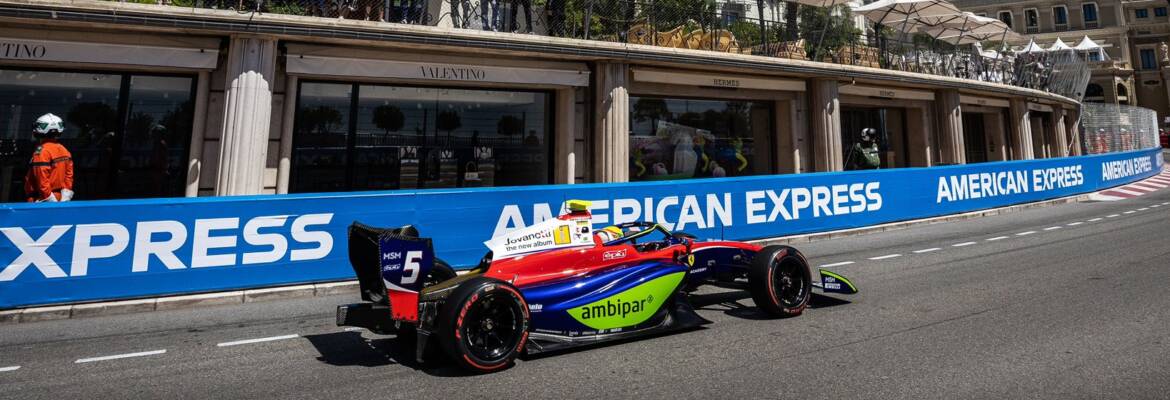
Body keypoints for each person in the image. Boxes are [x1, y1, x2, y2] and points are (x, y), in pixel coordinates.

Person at [25, 113, 74, 203]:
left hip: (42, 200)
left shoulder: (41, 152)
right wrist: (65, 197)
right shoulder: (64, 150)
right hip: (61, 198)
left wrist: (49, 199)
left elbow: (42, 178)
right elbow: (69, 176)